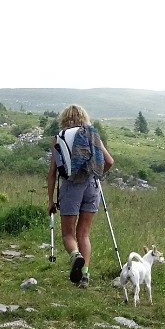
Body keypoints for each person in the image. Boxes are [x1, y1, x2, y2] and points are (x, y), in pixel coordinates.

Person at [46, 105, 114, 288]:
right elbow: (109, 161)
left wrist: (51, 200)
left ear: (64, 119)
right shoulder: (92, 135)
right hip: (92, 186)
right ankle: (84, 275)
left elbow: (52, 173)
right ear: (84, 117)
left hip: (71, 186)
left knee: (68, 234)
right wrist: (97, 175)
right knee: (83, 233)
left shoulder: (59, 138)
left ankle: (76, 256)